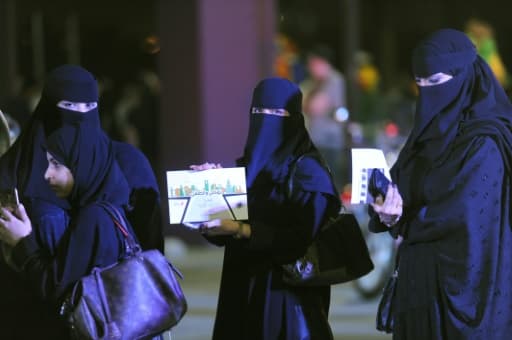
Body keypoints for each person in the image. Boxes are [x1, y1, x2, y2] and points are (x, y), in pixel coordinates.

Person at [0, 64, 163, 338]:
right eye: (69, 105)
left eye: (89, 105)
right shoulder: (16, 169)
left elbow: (150, 246)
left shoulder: (128, 165)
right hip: (29, 317)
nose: (79, 116)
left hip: (104, 320)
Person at [370, 28, 512, 339]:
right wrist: (386, 206)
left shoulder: (485, 140)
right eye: (419, 84)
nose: (427, 94)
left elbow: (462, 213)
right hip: (420, 290)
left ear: (463, 76)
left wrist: (404, 222)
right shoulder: (427, 135)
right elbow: (402, 185)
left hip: (467, 295)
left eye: (435, 82)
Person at [192, 77, 341, 339]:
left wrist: (243, 230)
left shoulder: (309, 172)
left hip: (287, 299)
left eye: (275, 113)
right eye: (258, 112)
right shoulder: (248, 169)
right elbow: (222, 236)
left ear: (293, 118)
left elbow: (299, 240)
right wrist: (211, 194)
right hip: (240, 290)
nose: (265, 120)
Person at [0, 119, 136, 338]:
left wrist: (22, 241)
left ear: (81, 165)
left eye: (57, 164)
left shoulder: (93, 218)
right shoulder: (111, 205)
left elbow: (57, 289)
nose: (47, 175)